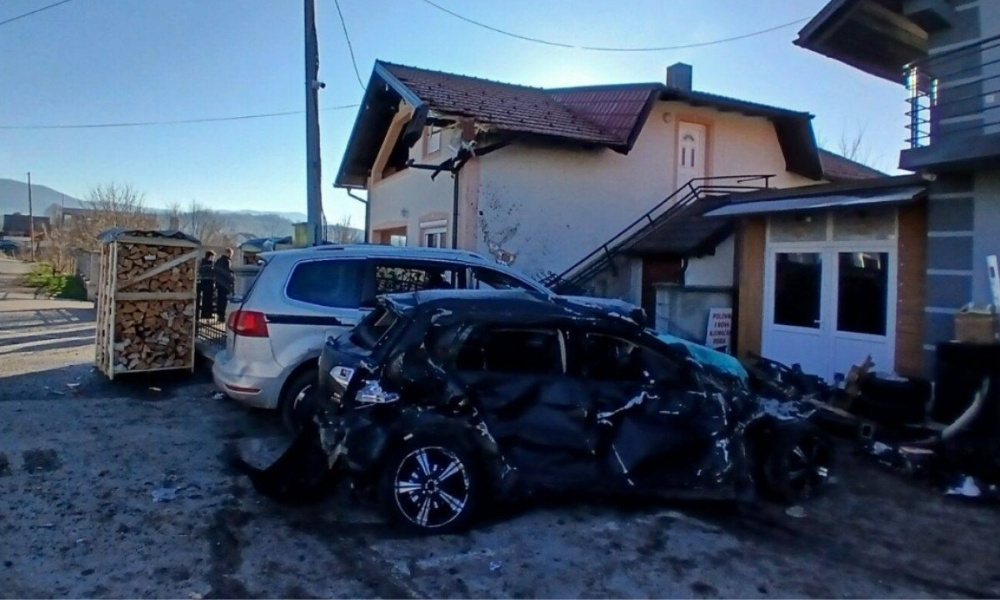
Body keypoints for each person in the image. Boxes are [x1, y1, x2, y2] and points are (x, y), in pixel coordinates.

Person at [214, 248, 234, 321]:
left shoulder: (218, 261)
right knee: (224, 300)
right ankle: (222, 315)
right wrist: (232, 280)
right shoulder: (227, 261)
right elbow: (228, 273)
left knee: (219, 299)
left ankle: (219, 315)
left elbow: (215, 270)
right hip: (225, 284)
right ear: (229, 254)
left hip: (218, 283)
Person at [198, 250, 216, 320]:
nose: (213, 258)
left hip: (204, 281)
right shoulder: (209, 263)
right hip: (208, 282)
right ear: (210, 256)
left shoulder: (203, 262)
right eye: (213, 257)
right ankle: (207, 313)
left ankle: (205, 313)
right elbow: (211, 272)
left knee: (206, 299)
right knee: (208, 299)